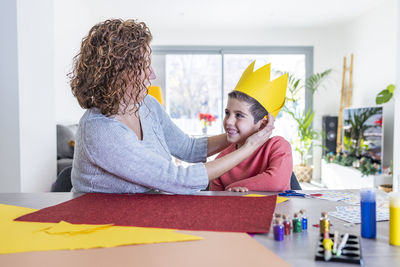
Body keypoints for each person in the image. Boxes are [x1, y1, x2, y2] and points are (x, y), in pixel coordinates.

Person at [69, 19, 275, 194]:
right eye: (144, 65)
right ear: (119, 72)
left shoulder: (147, 105)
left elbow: (189, 148)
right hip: (103, 227)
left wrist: (242, 132)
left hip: (144, 217)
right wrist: (249, 147)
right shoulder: (99, 129)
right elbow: (177, 180)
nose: (152, 74)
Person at [210, 61, 293, 192]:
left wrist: (230, 189)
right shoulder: (221, 160)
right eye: (227, 113)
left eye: (239, 115)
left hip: (277, 212)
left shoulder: (277, 146)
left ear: (263, 124)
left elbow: (276, 182)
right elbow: (215, 202)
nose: (229, 121)